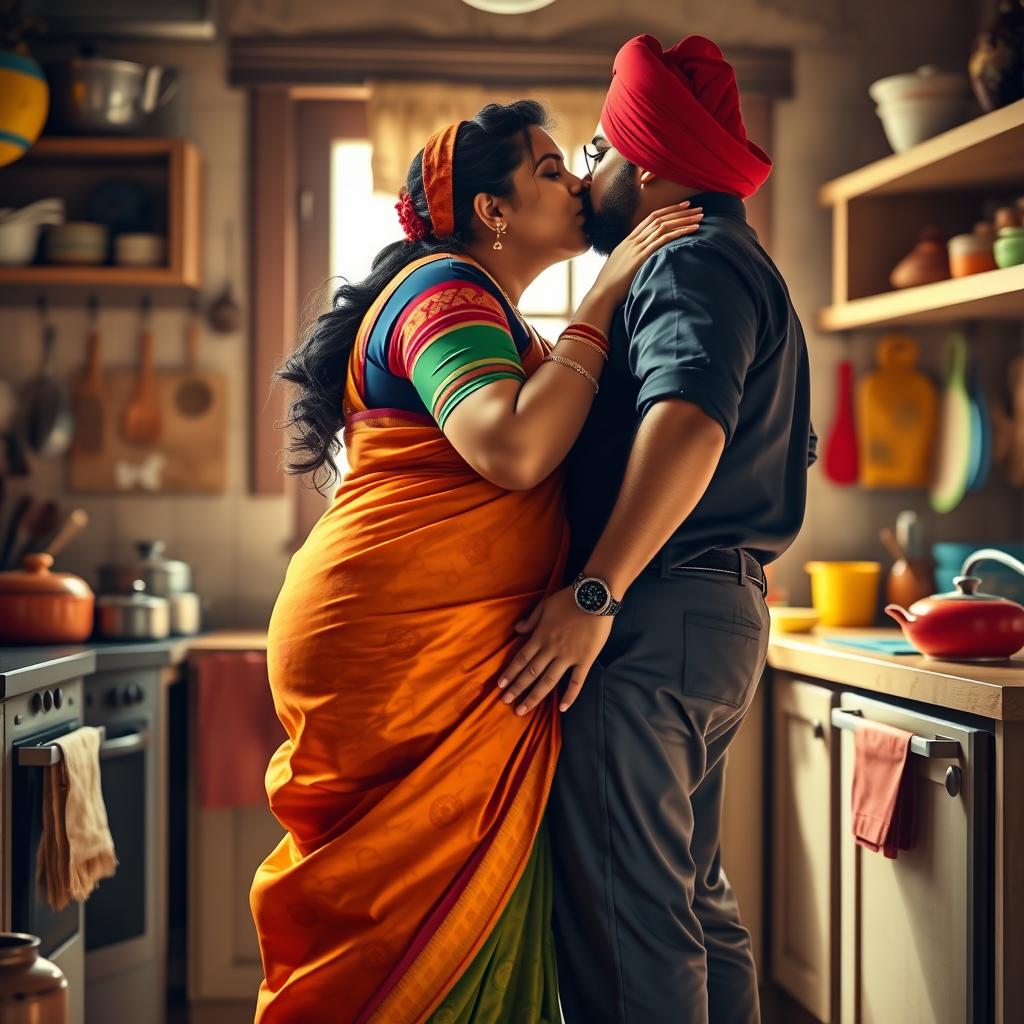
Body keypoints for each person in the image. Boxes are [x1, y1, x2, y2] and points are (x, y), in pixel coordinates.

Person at [249, 99, 702, 1023]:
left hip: (431, 648)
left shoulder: (489, 311)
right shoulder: (443, 291)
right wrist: (608, 293)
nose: (578, 181)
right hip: (395, 649)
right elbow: (513, 450)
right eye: (547, 170)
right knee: (399, 933)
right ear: (492, 211)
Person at [496, 36, 817, 1024]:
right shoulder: (738, 261)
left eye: (592, 148)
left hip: (649, 621)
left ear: (641, 162)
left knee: (630, 926)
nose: (584, 172)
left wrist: (595, 592)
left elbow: (689, 425)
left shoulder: (684, 259)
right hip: (709, 620)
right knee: (688, 899)